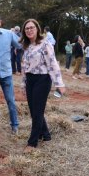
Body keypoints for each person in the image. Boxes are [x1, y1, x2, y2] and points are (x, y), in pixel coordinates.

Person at [20, 19, 65, 153]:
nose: (29, 30)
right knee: (34, 110)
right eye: (26, 28)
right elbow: (24, 67)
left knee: (38, 112)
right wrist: (23, 84)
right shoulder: (27, 46)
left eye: (31, 27)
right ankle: (45, 135)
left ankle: (32, 143)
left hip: (42, 79)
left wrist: (59, 83)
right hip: (30, 79)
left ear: (37, 29)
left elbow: (53, 64)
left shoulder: (45, 44)